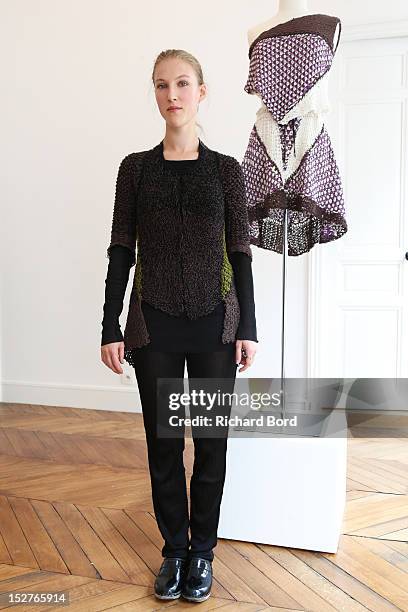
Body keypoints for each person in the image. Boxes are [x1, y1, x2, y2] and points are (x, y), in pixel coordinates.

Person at [101, 49, 258, 603]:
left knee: (211, 445)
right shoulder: (135, 170)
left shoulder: (226, 172)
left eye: (183, 83)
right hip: (154, 326)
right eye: (163, 85)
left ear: (202, 91)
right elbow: (121, 250)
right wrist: (110, 325)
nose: (173, 94)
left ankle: (203, 553)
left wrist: (249, 328)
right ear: (155, 93)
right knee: (165, 444)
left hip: (216, 323)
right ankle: (174, 551)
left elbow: (240, 254)